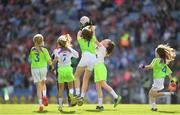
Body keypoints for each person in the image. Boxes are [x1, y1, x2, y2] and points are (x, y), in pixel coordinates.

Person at [139, 44, 176, 111]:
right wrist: (172, 81)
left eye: (156, 52)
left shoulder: (156, 60)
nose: (155, 53)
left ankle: (168, 93)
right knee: (150, 93)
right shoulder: (163, 62)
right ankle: (154, 107)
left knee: (153, 94)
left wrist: (143, 66)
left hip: (158, 80)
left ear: (158, 53)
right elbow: (168, 73)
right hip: (160, 80)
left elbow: (150, 66)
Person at [74, 23, 100, 106]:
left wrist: (82, 27)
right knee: (85, 79)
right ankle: (82, 96)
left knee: (76, 76)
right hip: (93, 59)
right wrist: (90, 27)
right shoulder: (93, 39)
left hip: (85, 57)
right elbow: (94, 29)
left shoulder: (80, 40)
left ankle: (78, 94)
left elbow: (78, 33)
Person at [52, 34, 79, 111]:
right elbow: (77, 55)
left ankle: (60, 105)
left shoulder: (57, 51)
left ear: (58, 43)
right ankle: (71, 94)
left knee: (60, 89)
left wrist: (51, 65)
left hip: (61, 70)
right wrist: (70, 49)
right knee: (70, 87)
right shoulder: (69, 49)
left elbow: (55, 60)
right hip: (68, 69)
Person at [94, 39, 122, 110]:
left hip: (100, 67)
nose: (104, 40)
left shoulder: (102, 48)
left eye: (106, 40)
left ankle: (116, 97)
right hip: (96, 68)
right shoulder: (99, 47)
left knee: (103, 84)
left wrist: (90, 30)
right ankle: (100, 105)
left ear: (106, 45)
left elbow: (94, 39)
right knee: (98, 88)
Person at [29, 34, 52, 111]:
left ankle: (40, 105)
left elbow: (30, 59)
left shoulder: (32, 49)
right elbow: (49, 62)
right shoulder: (44, 50)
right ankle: (44, 96)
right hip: (43, 68)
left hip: (35, 69)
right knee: (43, 84)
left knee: (38, 88)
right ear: (42, 41)